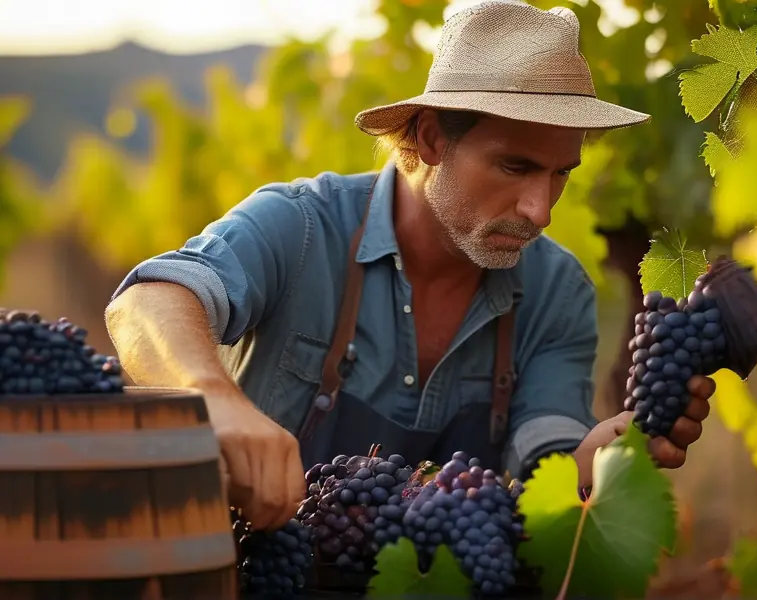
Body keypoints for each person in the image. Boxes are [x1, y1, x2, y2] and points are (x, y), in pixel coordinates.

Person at [104, 0, 715, 531]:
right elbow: (146, 301)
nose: (541, 210)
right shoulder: (302, 227)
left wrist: (594, 461)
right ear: (428, 139)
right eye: (516, 167)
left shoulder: (557, 292)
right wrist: (214, 400)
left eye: (560, 175)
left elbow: (545, 465)